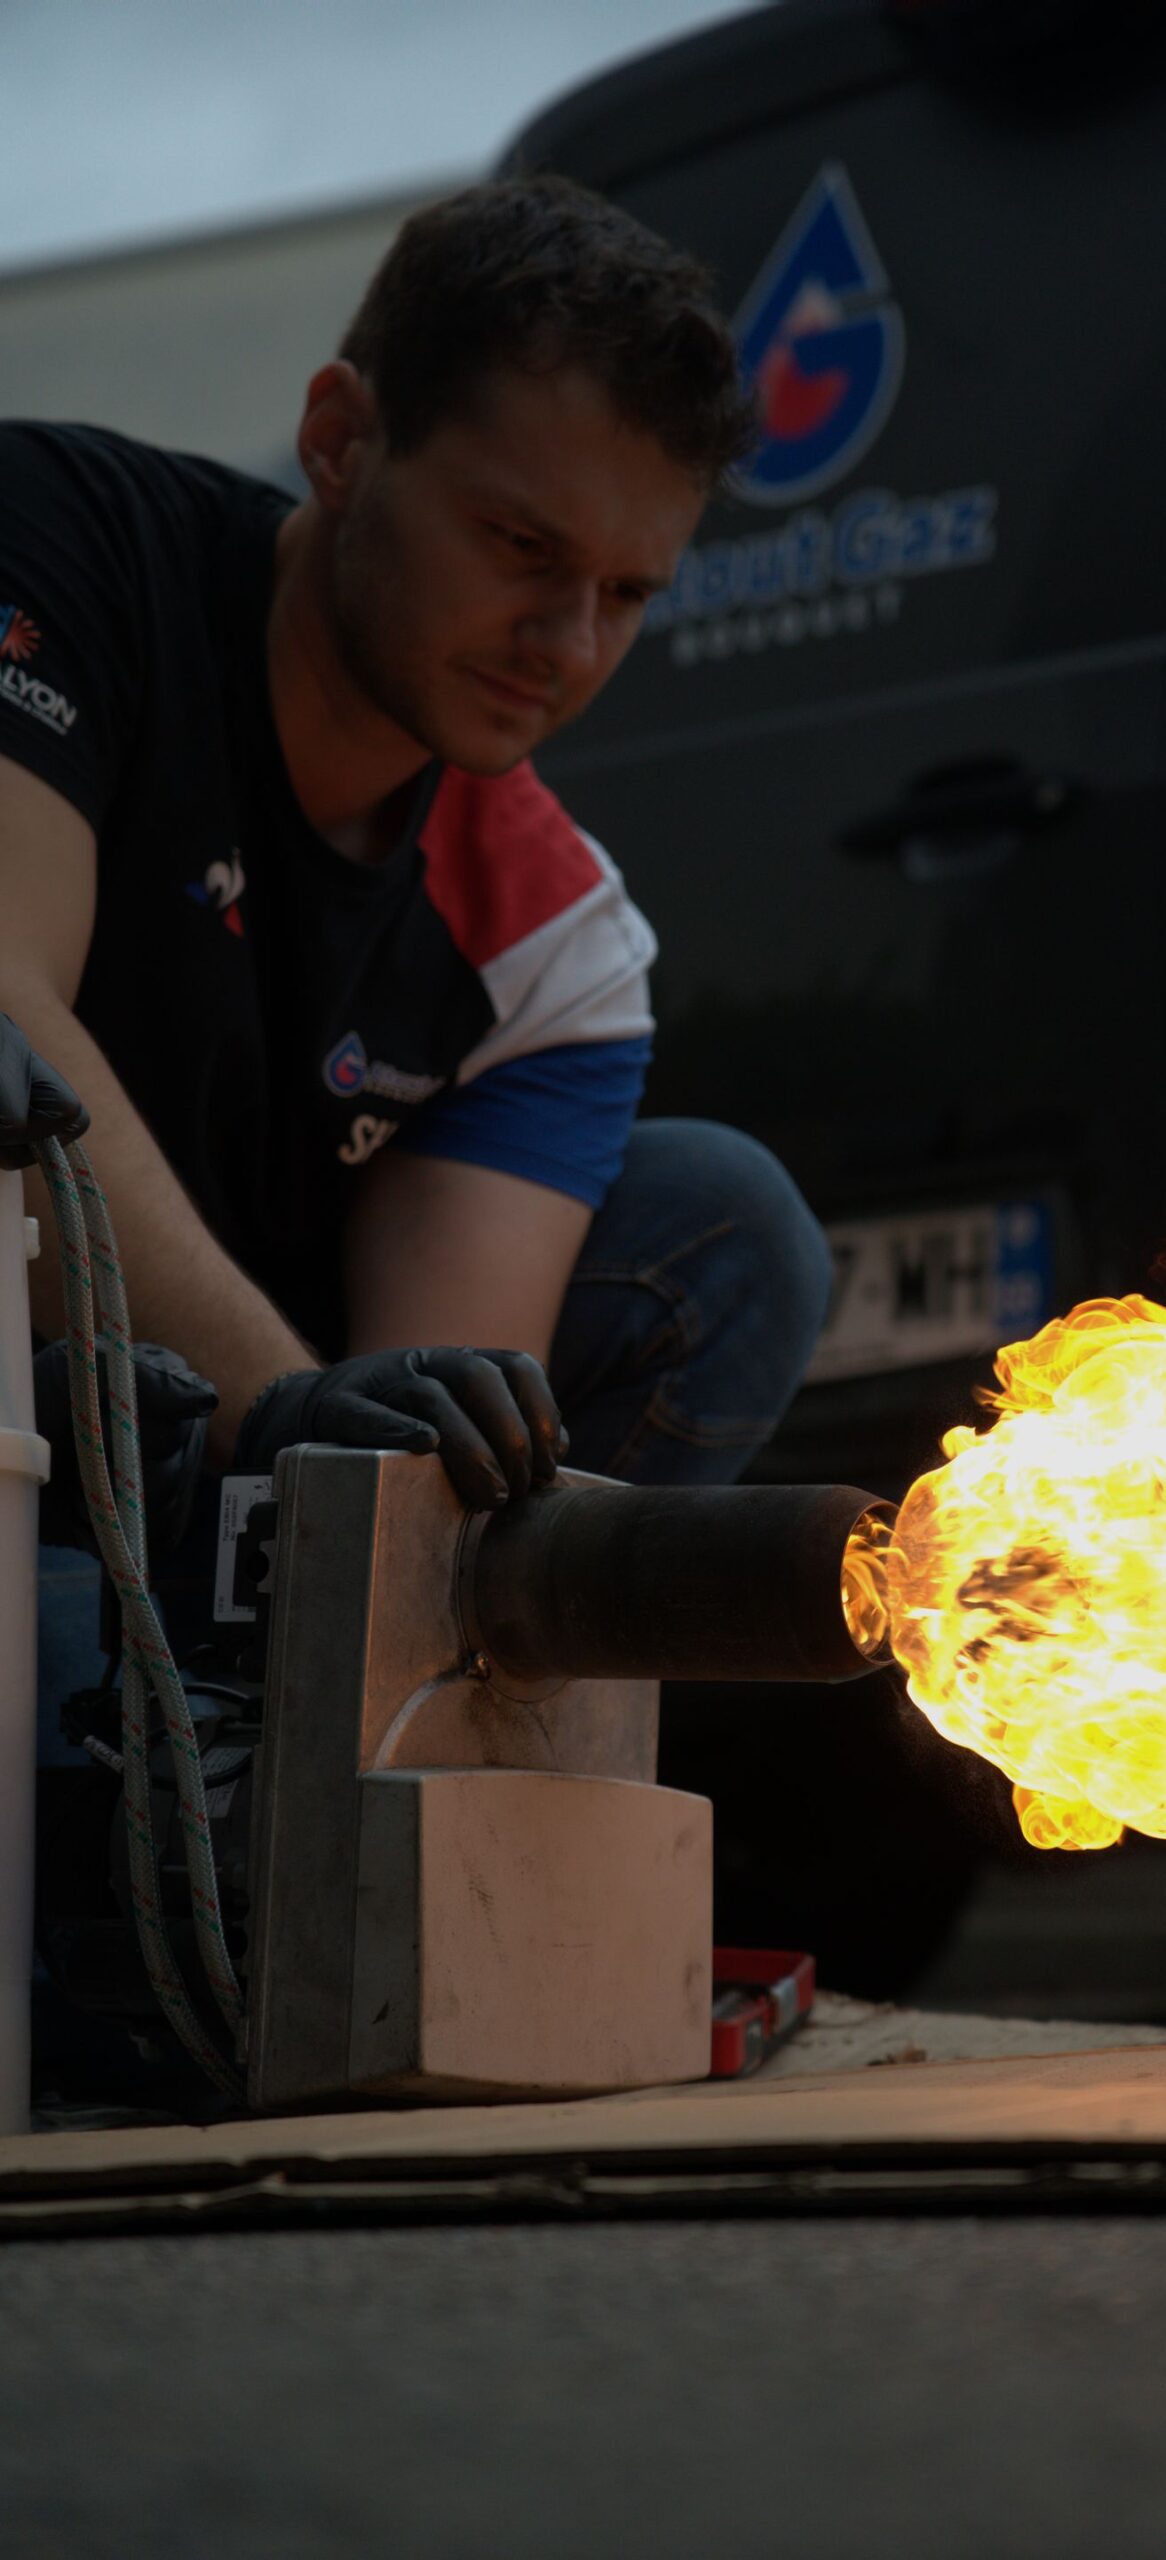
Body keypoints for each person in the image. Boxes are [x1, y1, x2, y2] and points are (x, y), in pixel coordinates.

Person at [0, 178, 833, 1738]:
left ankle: (357, 1815)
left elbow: (424, 1460)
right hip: (16, 1421)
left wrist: (359, 1517)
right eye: (521, 544)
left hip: (210, 1487)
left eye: (627, 593)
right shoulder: (63, 548)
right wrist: (281, 1415)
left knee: (724, 1226)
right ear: (340, 438)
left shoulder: (551, 927)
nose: (566, 643)